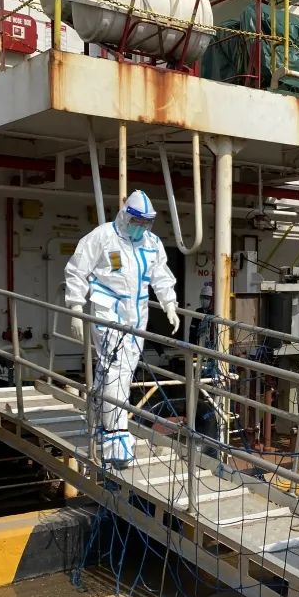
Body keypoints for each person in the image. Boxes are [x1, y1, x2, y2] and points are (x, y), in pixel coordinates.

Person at [64, 190, 179, 468]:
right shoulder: (103, 237)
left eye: (145, 222)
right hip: (108, 312)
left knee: (119, 371)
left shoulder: (151, 243)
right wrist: (76, 308)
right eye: (136, 221)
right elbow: (77, 270)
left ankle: (99, 422)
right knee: (115, 370)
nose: (140, 227)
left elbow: (161, 276)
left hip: (137, 315)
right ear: (125, 216)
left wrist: (170, 304)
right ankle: (116, 439)